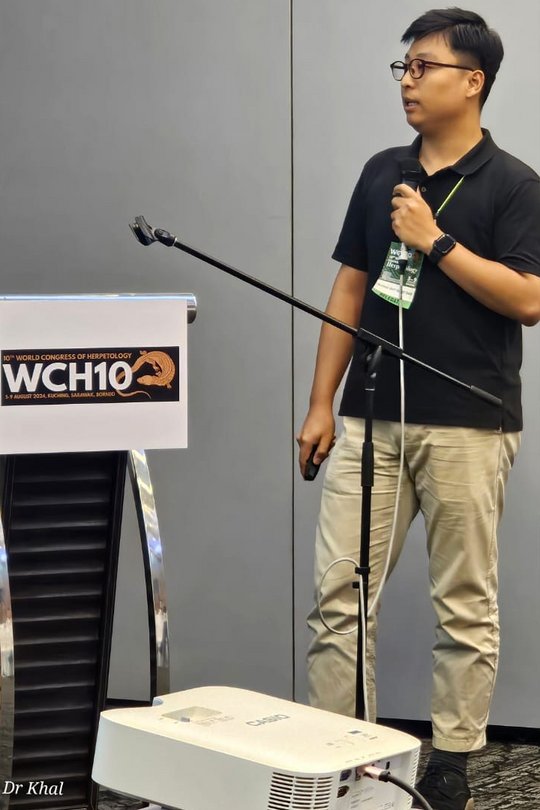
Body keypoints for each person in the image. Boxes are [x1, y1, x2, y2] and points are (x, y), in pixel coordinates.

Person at [297, 8, 540, 810]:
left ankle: (455, 760)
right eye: (402, 66)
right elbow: (350, 286)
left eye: (424, 66)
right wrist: (319, 404)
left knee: (463, 601)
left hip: (467, 422)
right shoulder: (381, 171)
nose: (407, 78)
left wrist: (436, 241)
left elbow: (530, 300)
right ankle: (341, 749)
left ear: (472, 82)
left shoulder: (514, 184)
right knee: (341, 592)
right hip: (368, 416)